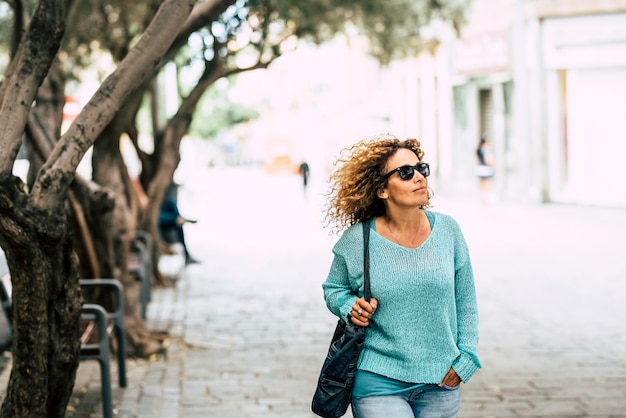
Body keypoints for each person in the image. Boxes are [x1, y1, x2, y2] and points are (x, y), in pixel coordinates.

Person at [321, 135, 481, 418]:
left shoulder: (449, 231)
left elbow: (465, 299)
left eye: (422, 169)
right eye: (406, 173)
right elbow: (334, 288)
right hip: (378, 381)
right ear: (382, 189)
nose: (418, 177)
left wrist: (466, 358)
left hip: (441, 381)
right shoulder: (358, 240)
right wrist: (349, 306)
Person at [158, 182, 200, 265]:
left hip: (163, 214)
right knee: (165, 216)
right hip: (159, 218)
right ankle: (177, 219)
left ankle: (178, 218)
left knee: (171, 203)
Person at [475, 135, 495, 206]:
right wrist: (492, 164)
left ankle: (482, 201)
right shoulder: (486, 149)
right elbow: (488, 160)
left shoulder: (478, 149)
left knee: (482, 186)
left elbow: (477, 160)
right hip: (486, 169)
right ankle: (485, 202)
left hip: (480, 169)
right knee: (487, 186)